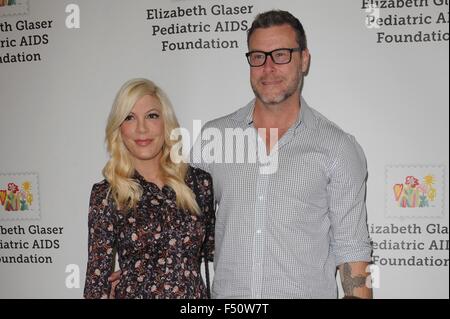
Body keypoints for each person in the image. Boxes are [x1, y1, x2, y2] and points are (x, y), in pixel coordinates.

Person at [191, 10, 373, 299]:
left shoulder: (337, 147)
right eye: (258, 56)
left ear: (304, 59)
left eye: (281, 55)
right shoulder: (214, 139)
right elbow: (181, 227)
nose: (268, 67)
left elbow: (352, 248)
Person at [83, 78, 215, 299]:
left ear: (166, 123)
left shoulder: (198, 183)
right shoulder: (107, 194)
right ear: (119, 128)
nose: (141, 128)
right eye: (129, 118)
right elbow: (96, 284)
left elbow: (212, 249)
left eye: (151, 116)